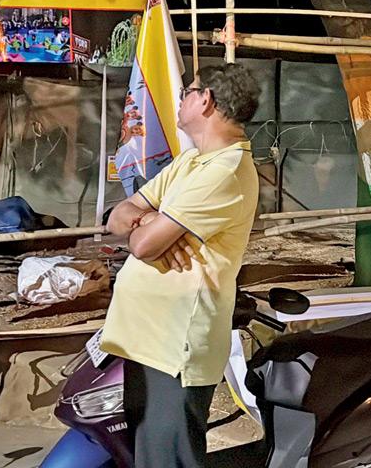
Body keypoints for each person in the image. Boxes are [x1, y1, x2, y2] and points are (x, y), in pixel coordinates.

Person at [100, 63, 261, 468]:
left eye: (188, 92)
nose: (181, 100)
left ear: (206, 100)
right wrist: (156, 224)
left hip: (176, 346)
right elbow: (119, 215)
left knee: (167, 459)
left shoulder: (225, 171)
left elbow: (140, 243)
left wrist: (150, 229)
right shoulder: (192, 163)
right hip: (149, 342)